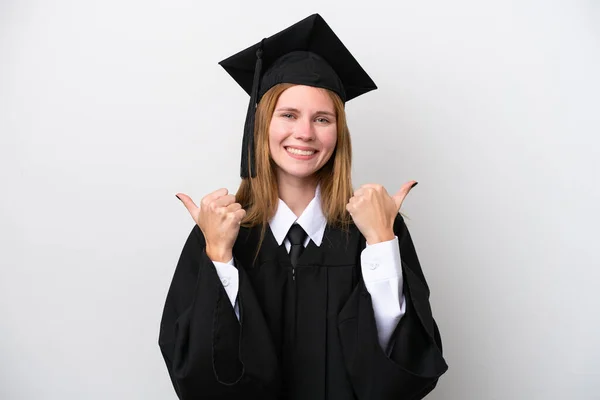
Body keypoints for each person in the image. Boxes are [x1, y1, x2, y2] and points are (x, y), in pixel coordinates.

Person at [159, 13, 448, 400]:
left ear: (338, 134)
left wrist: (381, 242)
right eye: (289, 115)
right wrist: (219, 258)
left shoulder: (374, 230)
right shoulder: (219, 232)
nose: (305, 133)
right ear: (262, 126)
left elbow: (405, 375)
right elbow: (198, 378)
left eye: (322, 118)